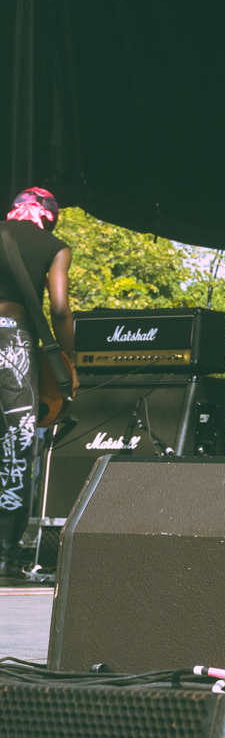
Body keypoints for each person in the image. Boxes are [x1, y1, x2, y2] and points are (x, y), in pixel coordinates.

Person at [0, 187, 75, 577]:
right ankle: (5, 555)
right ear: (50, 217)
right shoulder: (55, 247)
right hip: (13, 340)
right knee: (16, 445)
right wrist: (67, 360)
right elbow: (59, 308)